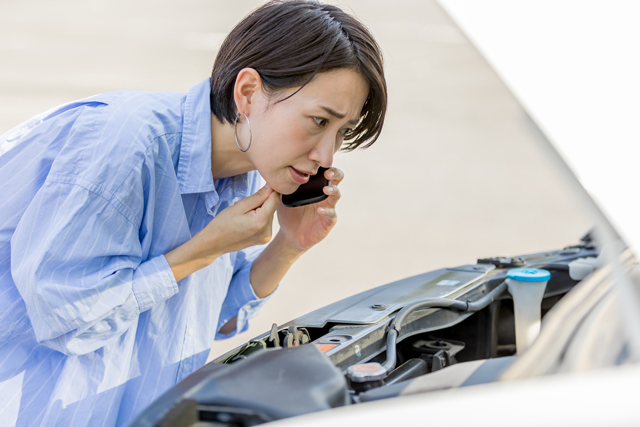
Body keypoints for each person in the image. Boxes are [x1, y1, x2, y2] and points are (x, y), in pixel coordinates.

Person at [0, 1, 387, 426]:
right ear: (248, 93)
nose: (326, 154)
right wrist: (202, 250)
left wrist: (288, 245)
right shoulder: (124, 146)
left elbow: (208, 321)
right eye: (318, 121)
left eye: (342, 131)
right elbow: (67, 319)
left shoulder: (244, 171)